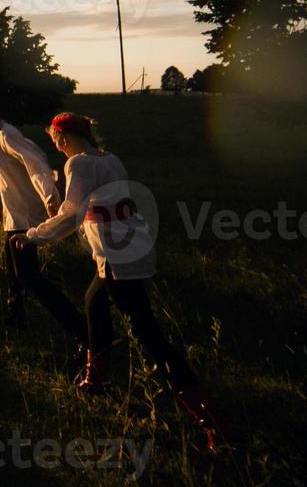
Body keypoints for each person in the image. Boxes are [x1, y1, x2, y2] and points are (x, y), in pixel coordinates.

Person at [14, 112, 229, 453]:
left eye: (55, 142)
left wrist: (33, 236)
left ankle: (212, 423)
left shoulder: (79, 165)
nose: (56, 148)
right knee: (93, 301)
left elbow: (71, 213)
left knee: (148, 334)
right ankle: (96, 380)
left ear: (64, 138)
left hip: (116, 256)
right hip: (131, 246)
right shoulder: (110, 159)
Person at [0, 94, 88, 354]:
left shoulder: (8, 135)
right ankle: (16, 318)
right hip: (13, 216)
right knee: (13, 271)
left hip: (24, 217)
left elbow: (35, 163)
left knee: (30, 277)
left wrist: (48, 194)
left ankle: (83, 332)